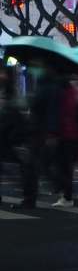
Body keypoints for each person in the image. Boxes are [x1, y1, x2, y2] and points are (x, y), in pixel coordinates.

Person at [13, 58, 61, 210]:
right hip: (39, 130)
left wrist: (51, 133)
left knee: (32, 166)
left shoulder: (48, 87)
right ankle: (55, 187)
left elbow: (49, 110)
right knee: (36, 165)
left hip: (41, 131)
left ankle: (31, 198)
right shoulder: (44, 84)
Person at [51, 75, 78, 207]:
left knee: (64, 166)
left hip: (66, 135)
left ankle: (66, 196)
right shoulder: (75, 93)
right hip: (71, 135)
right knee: (66, 167)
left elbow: (65, 115)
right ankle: (66, 194)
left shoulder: (67, 94)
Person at [0, 66, 25, 205]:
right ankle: (25, 185)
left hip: (8, 131)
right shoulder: (7, 89)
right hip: (5, 131)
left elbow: (15, 110)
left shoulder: (10, 90)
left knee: (13, 164)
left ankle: (26, 186)